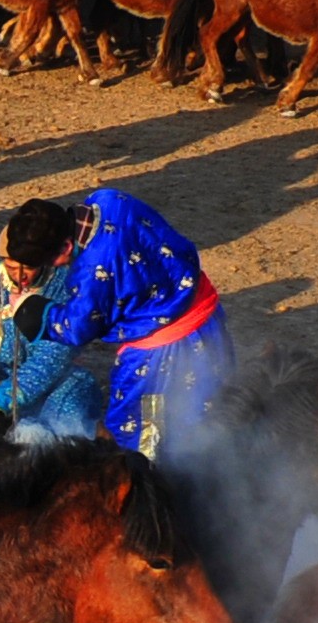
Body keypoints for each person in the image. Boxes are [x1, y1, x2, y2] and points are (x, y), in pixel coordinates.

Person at [25, 188, 229, 459]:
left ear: (65, 246)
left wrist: (38, 314)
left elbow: (77, 328)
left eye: (52, 262)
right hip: (205, 318)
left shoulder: (92, 271)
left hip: (160, 353)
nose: (55, 268)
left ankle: (162, 488)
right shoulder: (106, 199)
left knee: (139, 438)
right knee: (212, 414)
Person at [0, 206, 93, 438]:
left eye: (28, 268)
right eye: (11, 267)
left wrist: (2, 398)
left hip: (51, 381)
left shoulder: (63, 287)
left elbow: (51, 357)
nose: (19, 275)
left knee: (69, 411)